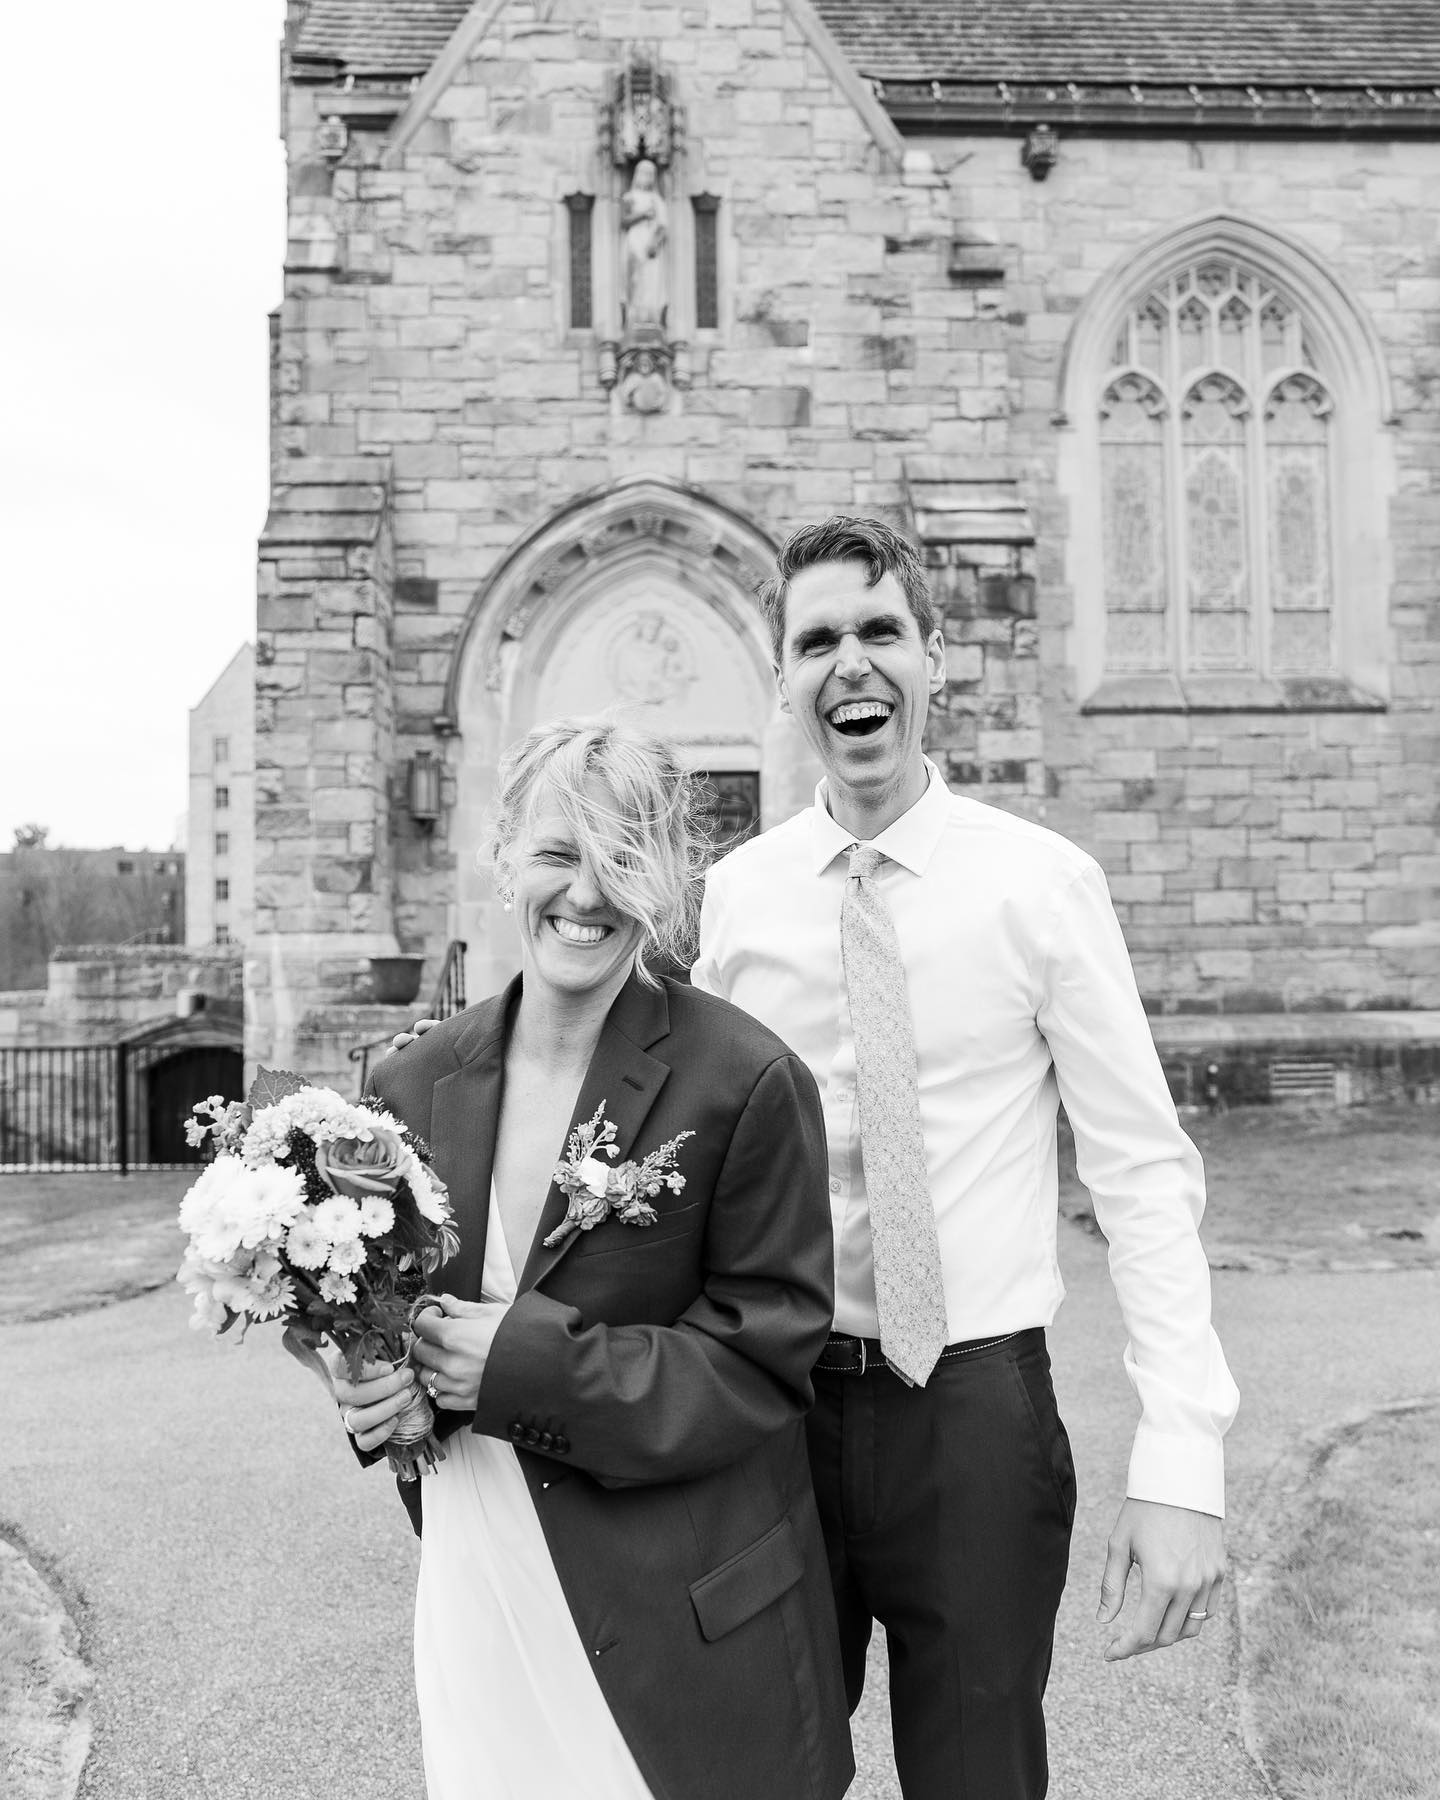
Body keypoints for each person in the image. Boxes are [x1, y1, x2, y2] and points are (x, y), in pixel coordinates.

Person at [687, 516, 1240, 1799]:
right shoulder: (739, 898)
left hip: (976, 1416)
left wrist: (1182, 1465)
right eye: (816, 640)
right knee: (760, 1773)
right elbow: (687, 1165)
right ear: (781, 680)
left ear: (935, 659)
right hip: (774, 1412)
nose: (852, 665)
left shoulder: (1041, 887)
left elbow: (1142, 1174)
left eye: (881, 631)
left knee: (980, 1776)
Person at [336, 720, 853, 1800]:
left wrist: (520, 1366)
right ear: (505, 858)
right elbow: (377, 1313)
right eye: (559, 854)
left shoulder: (747, 1081)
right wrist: (368, 1384)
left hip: (677, 1615)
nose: (587, 894)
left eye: (624, 860)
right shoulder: (410, 1084)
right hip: (481, 1575)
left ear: (667, 882)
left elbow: (761, 1367)